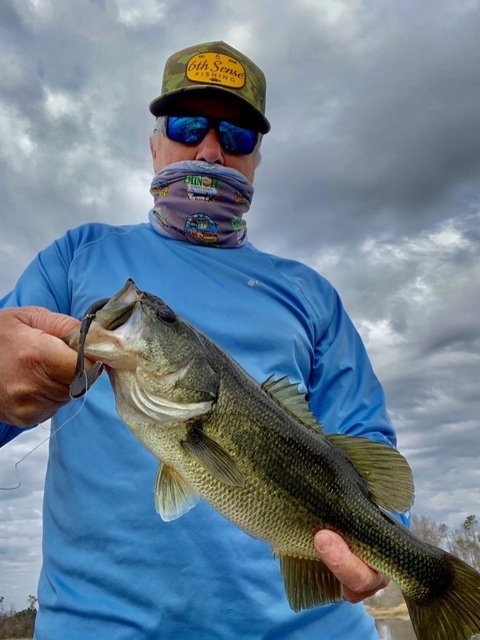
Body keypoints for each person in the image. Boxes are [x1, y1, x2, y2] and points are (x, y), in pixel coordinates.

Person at [0, 41, 402, 639]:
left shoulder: (312, 294)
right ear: (155, 141)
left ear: (257, 158)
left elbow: (369, 451)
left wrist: (382, 539)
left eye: (237, 136)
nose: (209, 148)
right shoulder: (73, 257)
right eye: (188, 125)